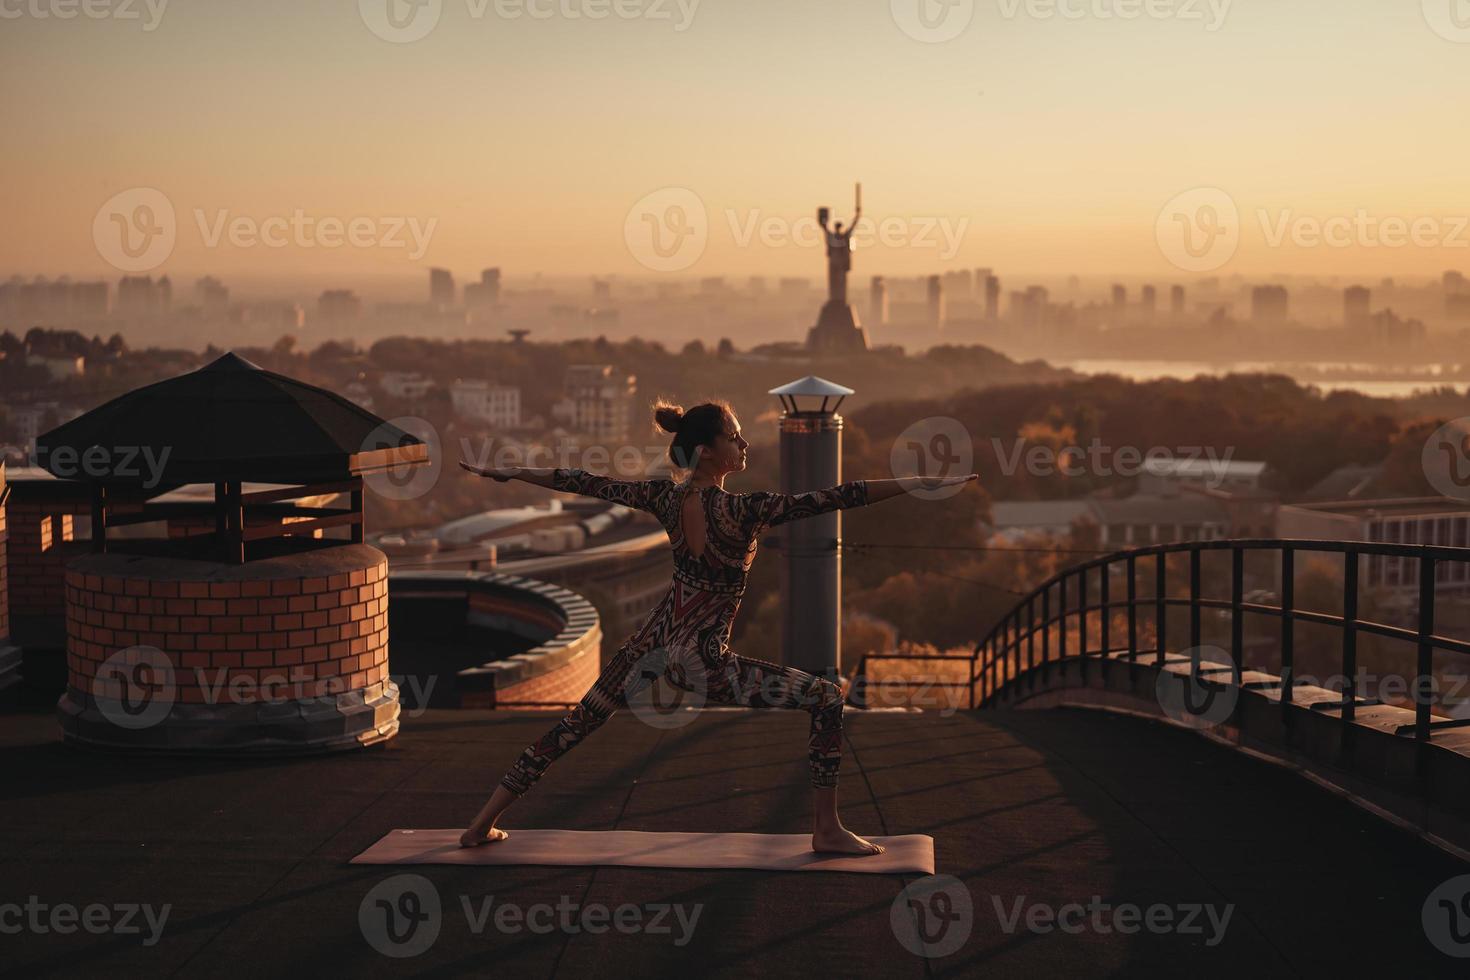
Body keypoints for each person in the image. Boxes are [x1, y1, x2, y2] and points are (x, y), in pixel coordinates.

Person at [457, 398, 977, 855]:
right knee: (825, 698)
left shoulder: (664, 497)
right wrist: (923, 483)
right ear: (707, 450)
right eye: (734, 436)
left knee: (578, 723)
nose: (745, 442)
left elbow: (583, 482)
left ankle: (481, 823)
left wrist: (509, 472)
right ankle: (827, 829)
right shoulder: (744, 509)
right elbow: (841, 496)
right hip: (701, 662)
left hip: (653, 641)